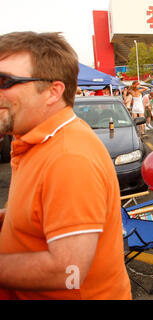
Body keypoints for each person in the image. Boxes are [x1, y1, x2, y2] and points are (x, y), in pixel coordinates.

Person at [0, 31, 131, 300]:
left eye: (4, 81)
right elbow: (37, 214)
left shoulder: (69, 158)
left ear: (52, 91)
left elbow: (67, 270)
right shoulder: (37, 141)